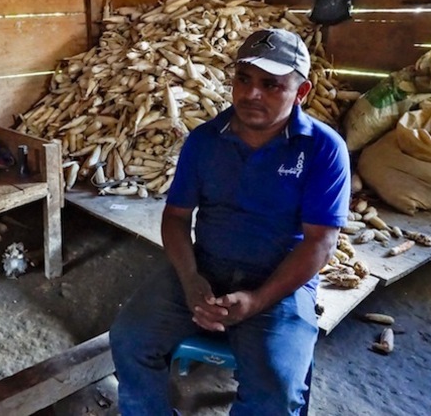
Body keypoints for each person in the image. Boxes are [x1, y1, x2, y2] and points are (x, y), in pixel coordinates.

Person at [109, 28, 351, 415]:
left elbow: (319, 242)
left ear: (301, 92)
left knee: (277, 386)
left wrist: (257, 300)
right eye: (244, 79)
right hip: (206, 267)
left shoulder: (323, 149)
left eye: (271, 85)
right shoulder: (204, 140)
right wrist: (190, 282)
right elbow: (175, 218)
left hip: (280, 282)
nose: (252, 94)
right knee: (128, 341)